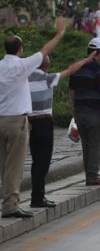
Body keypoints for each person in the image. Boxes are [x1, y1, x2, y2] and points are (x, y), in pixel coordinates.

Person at [0, 17, 68, 218]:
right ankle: (10, 205)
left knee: (3, 165)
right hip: (16, 122)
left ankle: (6, 201)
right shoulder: (21, 66)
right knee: (14, 165)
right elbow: (45, 51)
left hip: (0, 119)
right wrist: (60, 34)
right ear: (20, 49)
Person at [28, 52, 94, 208]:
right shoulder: (48, 78)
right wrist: (86, 60)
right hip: (44, 123)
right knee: (43, 162)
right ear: (47, 66)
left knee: (35, 161)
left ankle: (36, 196)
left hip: (29, 123)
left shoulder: (25, 79)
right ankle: (38, 198)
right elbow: (70, 70)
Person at [68, 37, 100, 186]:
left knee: (87, 144)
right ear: (98, 52)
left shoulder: (77, 68)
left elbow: (72, 91)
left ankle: (89, 174)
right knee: (97, 143)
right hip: (95, 112)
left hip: (80, 112)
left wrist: (74, 109)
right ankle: (93, 175)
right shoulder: (97, 69)